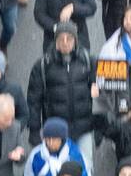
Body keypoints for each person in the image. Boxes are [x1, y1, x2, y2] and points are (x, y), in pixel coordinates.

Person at [27, 20, 98, 168]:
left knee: (85, 168)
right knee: (56, 171)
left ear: (75, 40)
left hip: (83, 128)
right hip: (56, 130)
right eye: (61, 39)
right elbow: (34, 100)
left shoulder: (89, 61)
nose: (65, 42)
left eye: (69, 38)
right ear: (56, 41)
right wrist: (34, 130)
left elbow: (103, 91)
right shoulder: (42, 65)